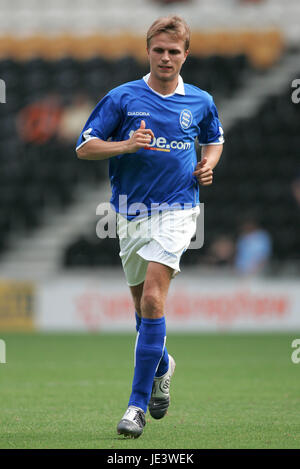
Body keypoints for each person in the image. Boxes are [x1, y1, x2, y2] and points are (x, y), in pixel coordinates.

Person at [76, 15, 224, 438]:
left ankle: (135, 408)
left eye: (174, 51)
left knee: (155, 299)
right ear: (148, 51)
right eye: (158, 50)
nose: (165, 57)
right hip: (128, 213)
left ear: (186, 55)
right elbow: (84, 146)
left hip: (178, 211)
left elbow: (214, 138)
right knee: (143, 310)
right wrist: (125, 144)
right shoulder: (122, 98)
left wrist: (207, 165)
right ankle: (162, 364)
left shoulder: (200, 100)